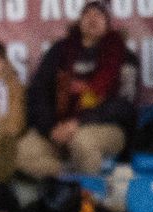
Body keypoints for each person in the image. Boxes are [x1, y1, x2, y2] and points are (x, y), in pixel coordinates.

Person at [18, 2, 138, 179]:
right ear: (79, 21)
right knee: (22, 152)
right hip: (58, 126)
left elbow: (123, 106)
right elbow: (38, 92)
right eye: (87, 14)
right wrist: (50, 128)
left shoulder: (123, 56)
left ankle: (89, 198)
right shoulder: (60, 51)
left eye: (99, 15)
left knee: (82, 141)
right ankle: (70, 177)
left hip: (105, 127)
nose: (92, 18)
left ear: (108, 23)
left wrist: (78, 123)